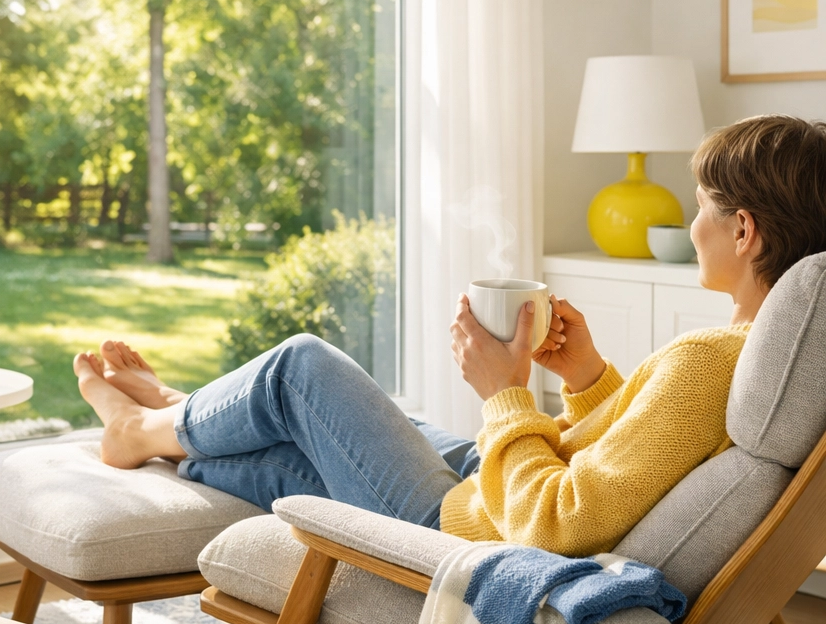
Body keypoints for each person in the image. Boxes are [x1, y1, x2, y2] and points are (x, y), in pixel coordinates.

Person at [73, 114, 826, 558]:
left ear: (744, 229)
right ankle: (182, 414)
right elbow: (638, 459)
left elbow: (562, 519)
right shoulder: (756, 359)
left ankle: (146, 427)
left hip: (463, 522)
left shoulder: (709, 359)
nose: (691, 226)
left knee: (299, 370)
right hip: (493, 487)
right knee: (297, 446)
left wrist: (504, 392)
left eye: (700, 206)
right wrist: (589, 375)